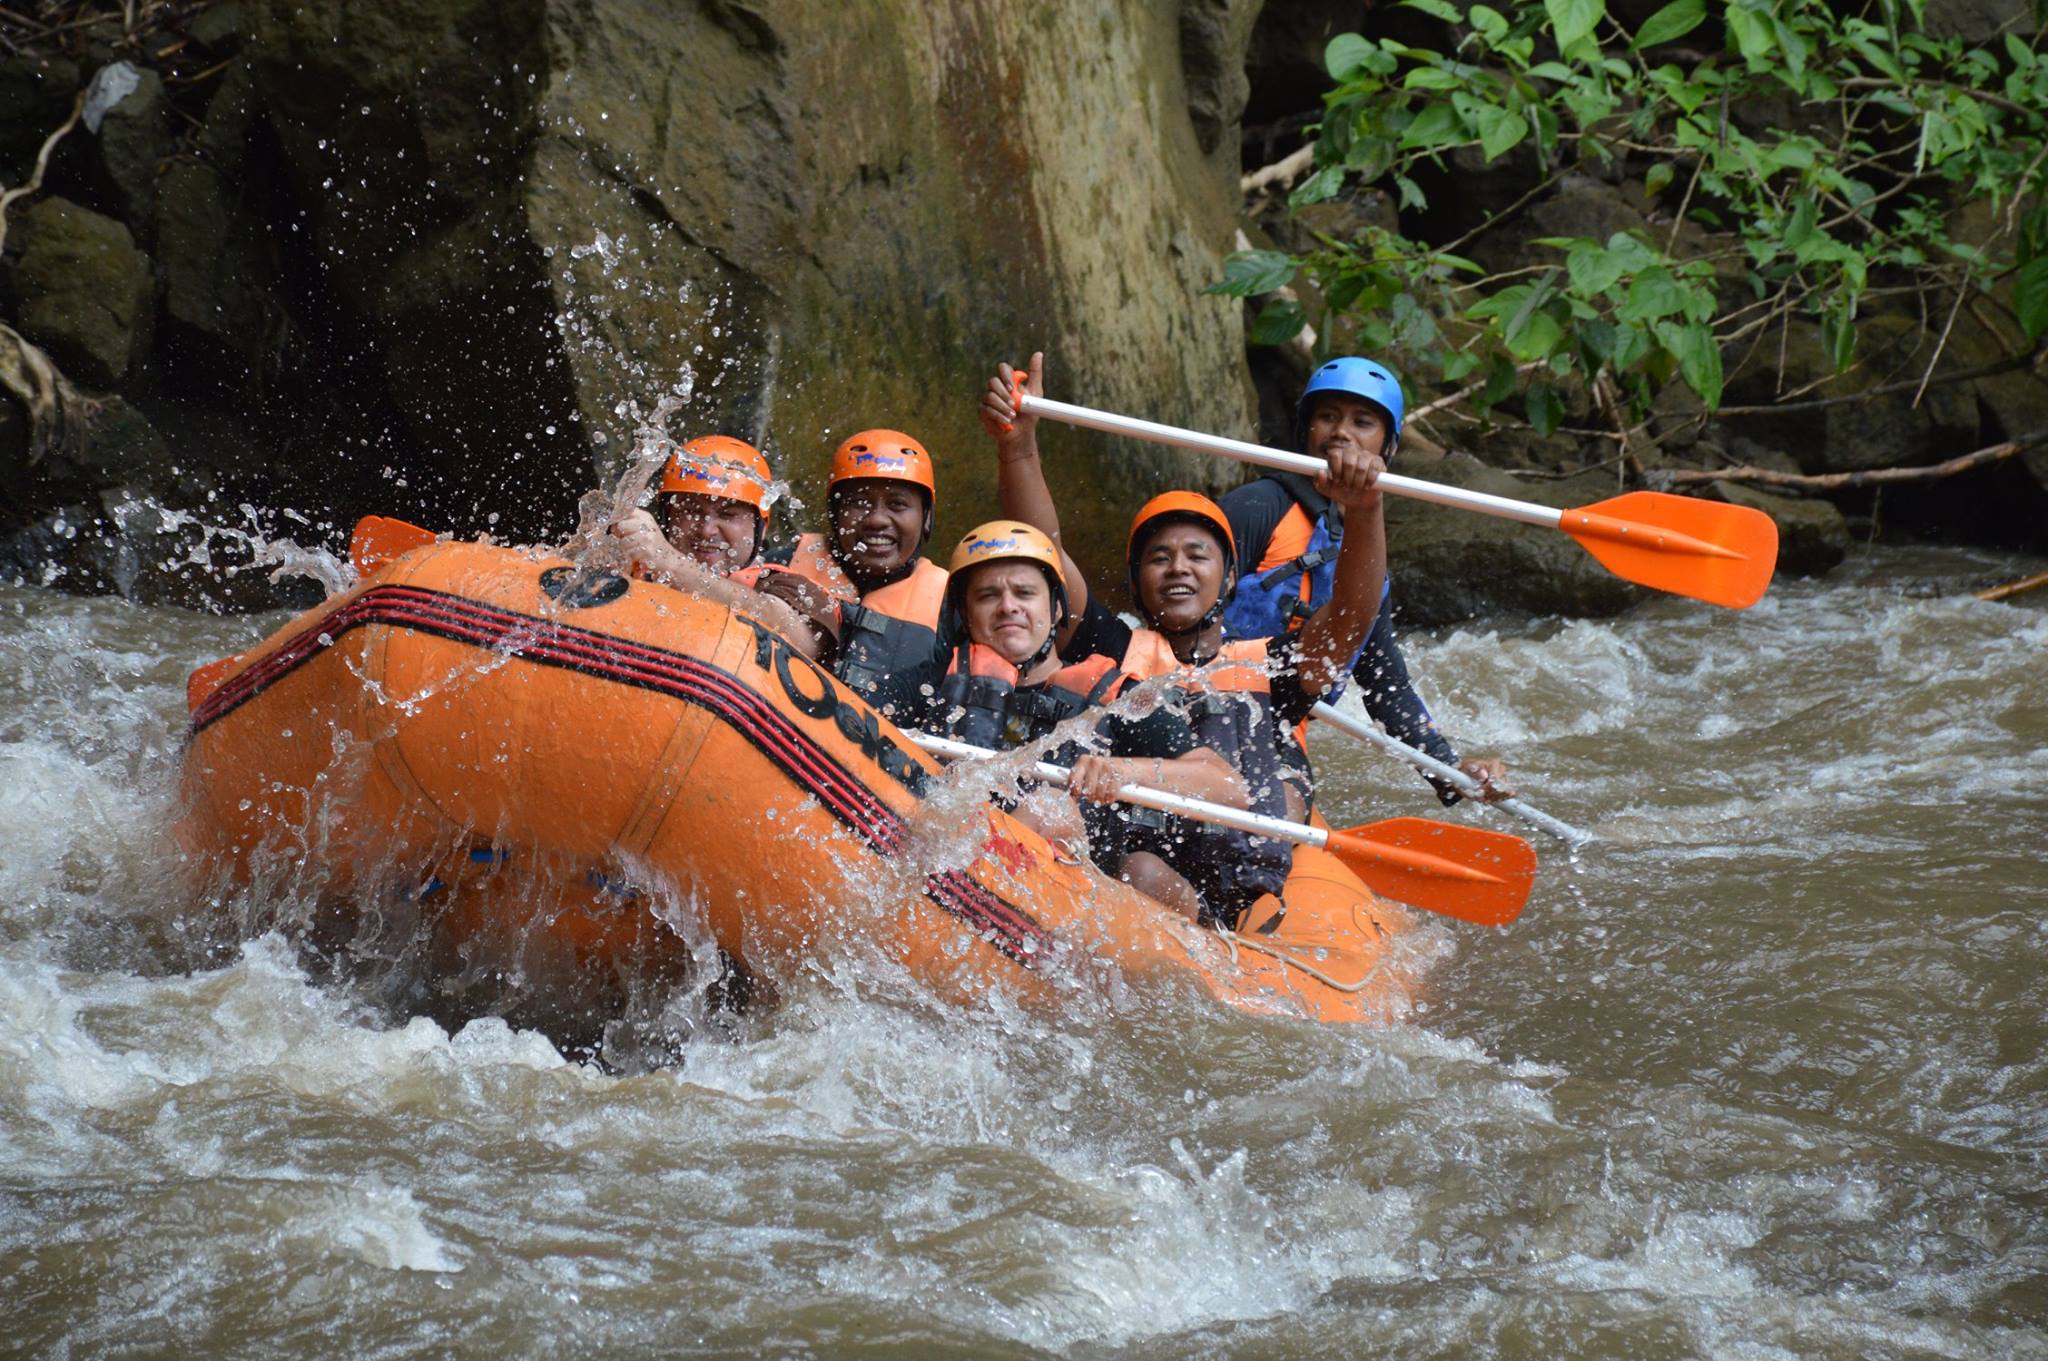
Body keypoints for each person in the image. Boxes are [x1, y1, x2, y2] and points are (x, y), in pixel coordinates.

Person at [982, 354, 1389, 928]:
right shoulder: (1114, 646)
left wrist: (1364, 508)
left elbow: (1350, 616)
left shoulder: (1274, 665)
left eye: (1197, 556)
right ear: (1137, 581)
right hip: (1132, 847)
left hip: (1231, 861)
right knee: (1137, 864)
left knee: (1161, 853)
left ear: (1227, 577)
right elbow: (1043, 551)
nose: (1177, 568)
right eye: (1159, 557)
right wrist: (1017, 447)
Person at [1219, 356, 1514, 805]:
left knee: (1288, 798)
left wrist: (1449, 769)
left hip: (1280, 720)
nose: (1342, 433)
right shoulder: (1257, 508)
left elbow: (1385, 686)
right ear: (1307, 433)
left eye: (1362, 422)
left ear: (1387, 449)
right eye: (1328, 417)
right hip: (1211, 692)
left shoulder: (1364, 560)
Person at [924, 520, 1249, 924]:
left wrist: (1119, 769)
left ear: (1056, 607)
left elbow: (1230, 788)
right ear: (964, 614)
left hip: (1090, 898)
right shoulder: (935, 680)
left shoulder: (1115, 698)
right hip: (960, 871)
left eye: (1025, 593)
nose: (1008, 606)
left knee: (1055, 812)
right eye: (988, 596)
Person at [756, 429, 950, 718]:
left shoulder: (952, 604)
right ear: (834, 514)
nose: (877, 519)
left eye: (897, 504)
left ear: (926, 518)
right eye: (859, 503)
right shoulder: (782, 562)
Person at [610, 435, 847, 658]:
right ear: (667, 517)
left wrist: (669, 562)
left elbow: (801, 641)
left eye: (728, 514)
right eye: (691, 511)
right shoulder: (630, 568)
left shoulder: (793, 589)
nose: (706, 530)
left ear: (761, 527)